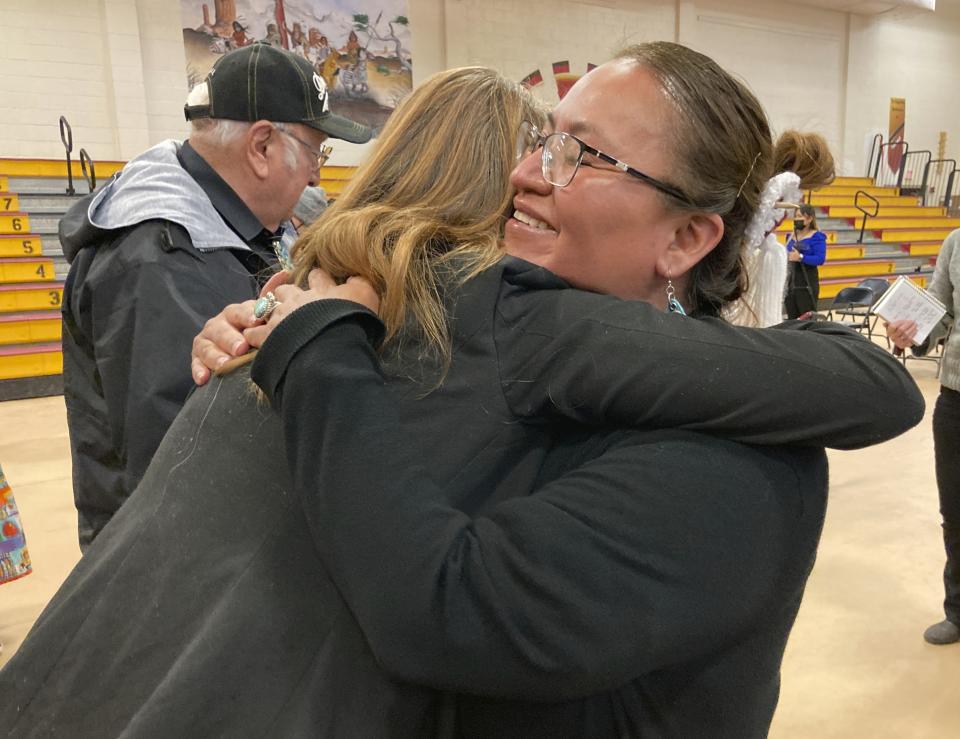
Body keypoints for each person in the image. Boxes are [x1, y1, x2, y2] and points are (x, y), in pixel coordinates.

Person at [2, 58, 921, 738]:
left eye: (581, 154)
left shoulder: (723, 450)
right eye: (543, 142)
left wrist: (309, 334)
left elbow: (450, 609)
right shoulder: (418, 327)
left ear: (687, 236)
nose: (530, 172)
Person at [59, 43, 371, 550]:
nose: (317, 174)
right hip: (178, 559)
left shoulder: (234, 231)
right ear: (262, 146)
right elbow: (183, 452)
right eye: (316, 150)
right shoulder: (161, 256)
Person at [887, 228, 960, 645]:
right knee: (956, 513)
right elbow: (940, 311)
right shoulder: (955, 242)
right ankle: (958, 610)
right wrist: (912, 331)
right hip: (956, 397)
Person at [784, 202, 827, 318]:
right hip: (791, 283)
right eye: (796, 216)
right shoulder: (790, 236)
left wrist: (801, 257)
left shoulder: (817, 237)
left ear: (809, 219)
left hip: (807, 282)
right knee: (792, 318)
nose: (797, 219)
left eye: (800, 216)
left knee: (806, 318)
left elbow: (820, 259)